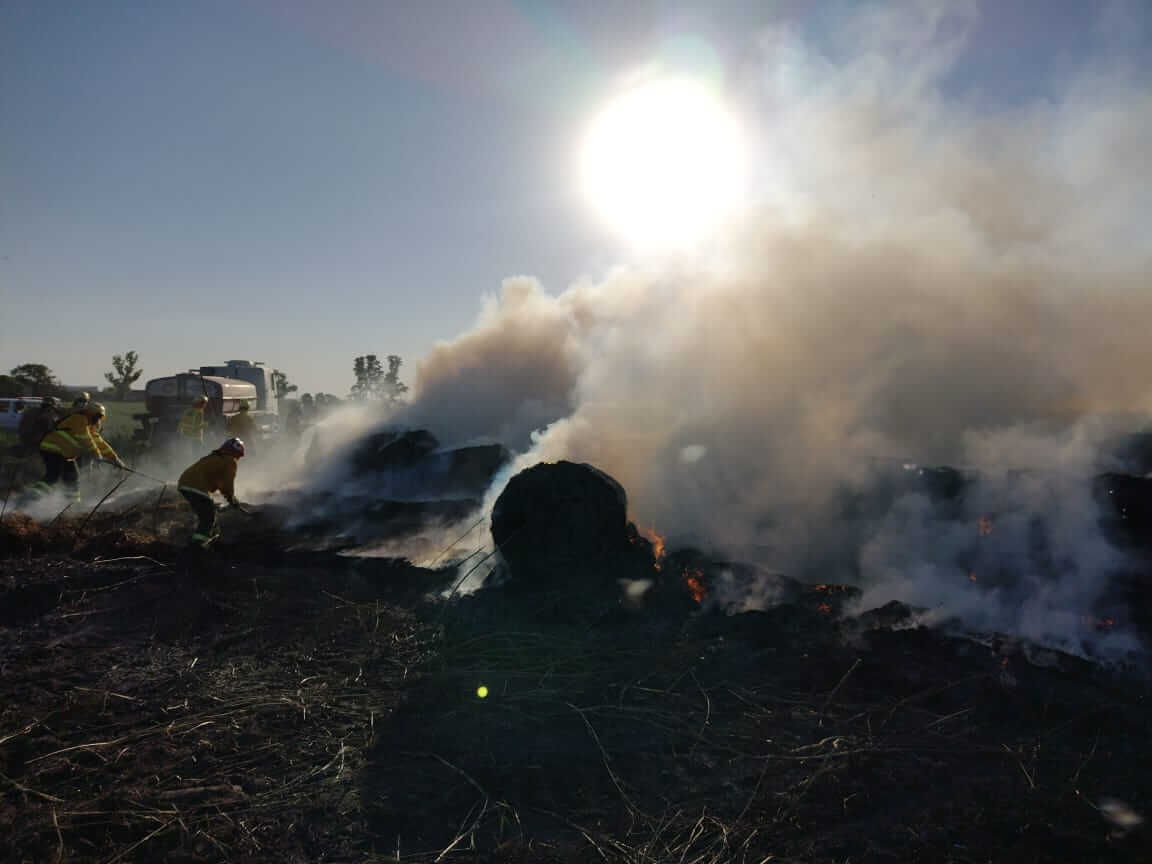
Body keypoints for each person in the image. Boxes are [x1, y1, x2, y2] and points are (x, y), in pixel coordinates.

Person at [37, 403, 126, 499]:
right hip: (53, 449)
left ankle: (71, 503)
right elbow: (84, 438)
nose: (98, 419)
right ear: (90, 412)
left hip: (64, 453)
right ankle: (32, 496)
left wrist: (115, 459)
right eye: (98, 416)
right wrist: (96, 454)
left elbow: (99, 443)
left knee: (72, 477)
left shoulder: (88, 425)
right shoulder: (79, 419)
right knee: (53, 475)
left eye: (100, 417)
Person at [177, 437, 246, 547]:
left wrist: (230, 498)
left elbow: (220, 483)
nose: (237, 459)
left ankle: (210, 539)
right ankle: (198, 545)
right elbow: (227, 483)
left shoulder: (214, 457)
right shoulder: (230, 461)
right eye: (238, 456)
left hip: (184, 483)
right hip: (196, 486)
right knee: (208, 517)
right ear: (237, 454)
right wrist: (231, 498)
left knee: (209, 512)